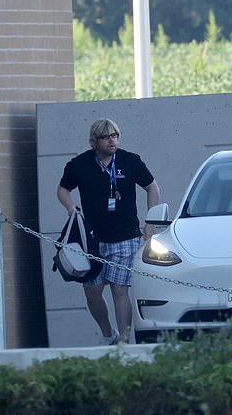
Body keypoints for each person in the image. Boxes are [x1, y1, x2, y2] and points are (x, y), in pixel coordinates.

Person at [57, 118, 160, 344]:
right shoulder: (80, 164)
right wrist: (70, 207)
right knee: (92, 292)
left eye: (115, 136)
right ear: (95, 141)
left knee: (119, 290)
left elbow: (152, 187)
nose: (111, 141)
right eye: (105, 137)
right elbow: (63, 189)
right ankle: (108, 334)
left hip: (125, 237)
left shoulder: (130, 161)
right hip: (92, 240)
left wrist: (149, 225)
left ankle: (124, 341)